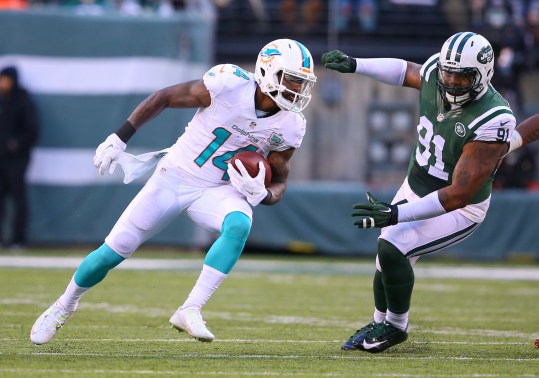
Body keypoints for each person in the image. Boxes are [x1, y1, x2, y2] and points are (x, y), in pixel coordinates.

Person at [30, 38, 317, 345]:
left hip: (218, 190)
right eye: (292, 80)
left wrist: (263, 194)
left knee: (239, 223)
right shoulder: (228, 84)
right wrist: (119, 137)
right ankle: (64, 304)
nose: (297, 90)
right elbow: (163, 97)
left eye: (302, 83)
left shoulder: (291, 125)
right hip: (174, 177)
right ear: (267, 71)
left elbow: (279, 182)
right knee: (110, 254)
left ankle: (190, 308)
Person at [321, 31, 515, 353]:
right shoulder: (436, 72)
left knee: (395, 247)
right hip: (417, 183)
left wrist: (396, 213)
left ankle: (396, 327)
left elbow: (459, 194)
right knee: (385, 253)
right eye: (447, 73)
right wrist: (356, 64)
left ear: (482, 76)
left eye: (460, 77)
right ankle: (379, 321)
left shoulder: (493, 118)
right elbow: (404, 71)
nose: (450, 82)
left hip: (459, 206)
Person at [0, 66, 39, 249]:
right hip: (1, 159)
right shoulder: (3, 101)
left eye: (5, 79)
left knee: (18, 198)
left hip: (17, 160)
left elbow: (31, 131)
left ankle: (18, 240)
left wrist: (15, 146)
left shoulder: (23, 102)